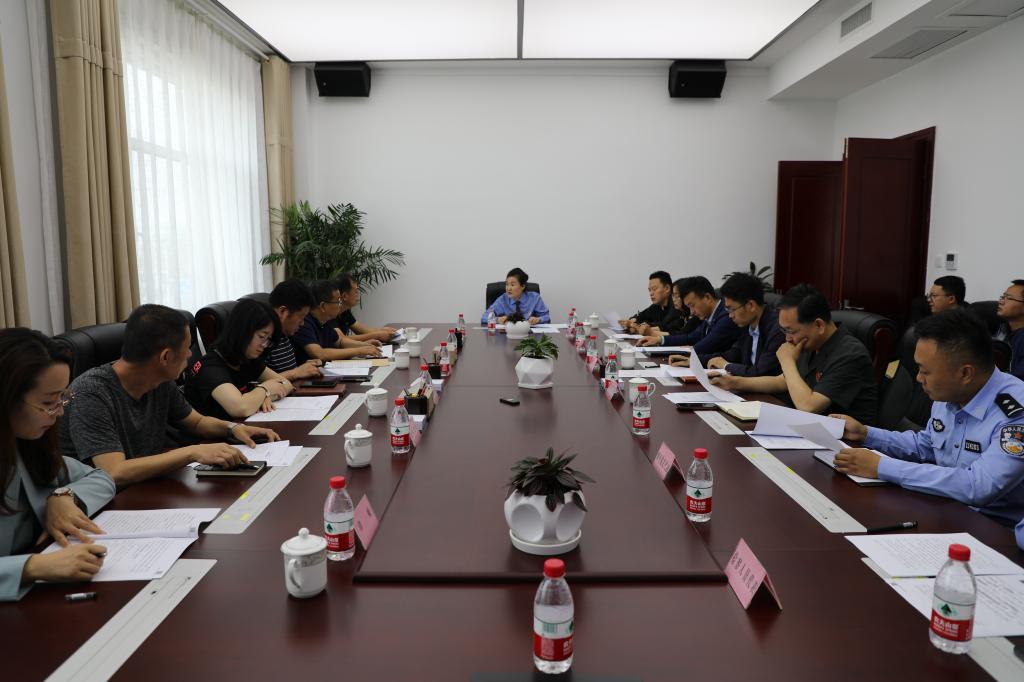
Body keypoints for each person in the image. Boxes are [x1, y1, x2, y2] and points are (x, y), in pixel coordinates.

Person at [833, 310, 1024, 527]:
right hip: (943, 508)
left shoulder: (1016, 413)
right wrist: (867, 434)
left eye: (925, 371)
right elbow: (927, 446)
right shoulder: (951, 393)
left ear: (965, 373)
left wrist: (883, 467)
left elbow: (978, 486)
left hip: (995, 530)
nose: (918, 378)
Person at [60, 305, 279, 487]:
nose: (191, 354)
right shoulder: (91, 393)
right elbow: (114, 472)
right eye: (187, 348)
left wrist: (232, 429)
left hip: (147, 487)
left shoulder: (159, 380)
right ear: (165, 357)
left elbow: (196, 422)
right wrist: (193, 452)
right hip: (103, 505)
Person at [2, 329, 115, 601]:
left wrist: (64, 496)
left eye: (62, 398)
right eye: (48, 402)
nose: (60, 411)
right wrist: (32, 566)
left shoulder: (25, 446)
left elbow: (101, 478)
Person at [711, 284, 878, 425]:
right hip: (813, 428)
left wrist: (787, 361)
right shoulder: (812, 343)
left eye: (791, 331)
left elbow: (809, 406)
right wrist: (735, 382)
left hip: (850, 443)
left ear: (819, 325)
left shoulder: (850, 354)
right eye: (783, 330)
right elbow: (782, 381)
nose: (787, 338)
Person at [186, 299, 294, 420]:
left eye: (268, 339)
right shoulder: (209, 367)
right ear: (241, 331)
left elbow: (286, 384)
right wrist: (265, 390)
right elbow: (240, 408)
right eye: (262, 336)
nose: (264, 345)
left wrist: (265, 397)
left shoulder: (246, 358)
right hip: (214, 431)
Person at [637, 276, 741, 365]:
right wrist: (659, 340)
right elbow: (690, 338)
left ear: (707, 297)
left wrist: (683, 353)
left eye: (692, 305)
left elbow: (702, 347)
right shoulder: (710, 316)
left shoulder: (726, 317)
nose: (692, 312)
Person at [706, 273, 785, 377]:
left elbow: (761, 372)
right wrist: (695, 360)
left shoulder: (777, 330)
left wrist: (726, 365)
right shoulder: (747, 325)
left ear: (751, 305)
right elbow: (733, 354)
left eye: (732, 309)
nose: (730, 315)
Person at [292, 280, 382, 365]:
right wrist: (359, 351)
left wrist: (365, 345)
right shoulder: (304, 323)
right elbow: (319, 353)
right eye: (338, 301)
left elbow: (340, 341)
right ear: (323, 306)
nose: (340, 305)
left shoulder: (325, 321)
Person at [266, 279, 323, 382]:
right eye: (301, 317)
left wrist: (305, 368)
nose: (302, 323)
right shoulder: (262, 340)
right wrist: (295, 373)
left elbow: (289, 372)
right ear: (282, 311)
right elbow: (256, 385)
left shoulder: (285, 333)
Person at [337, 274, 398, 344]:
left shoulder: (345, 312)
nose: (358, 294)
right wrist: (377, 335)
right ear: (344, 296)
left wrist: (383, 330)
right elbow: (341, 339)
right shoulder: (331, 313)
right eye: (356, 291)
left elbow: (362, 330)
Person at [480, 268, 550, 325]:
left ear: (522, 286)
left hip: (529, 335)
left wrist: (538, 320)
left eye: (512, 285)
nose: (508, 288)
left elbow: (547, 317)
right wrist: (497, 319)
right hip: (508, 334)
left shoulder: (534, 298)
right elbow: (484, 318)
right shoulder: (502, 300)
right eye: (507, 284)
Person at [996, 279, 1024, 380]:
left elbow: (1018, 379)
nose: (1001, 301)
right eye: (1003, 297)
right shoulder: (1002, 329)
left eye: (1008, 298)